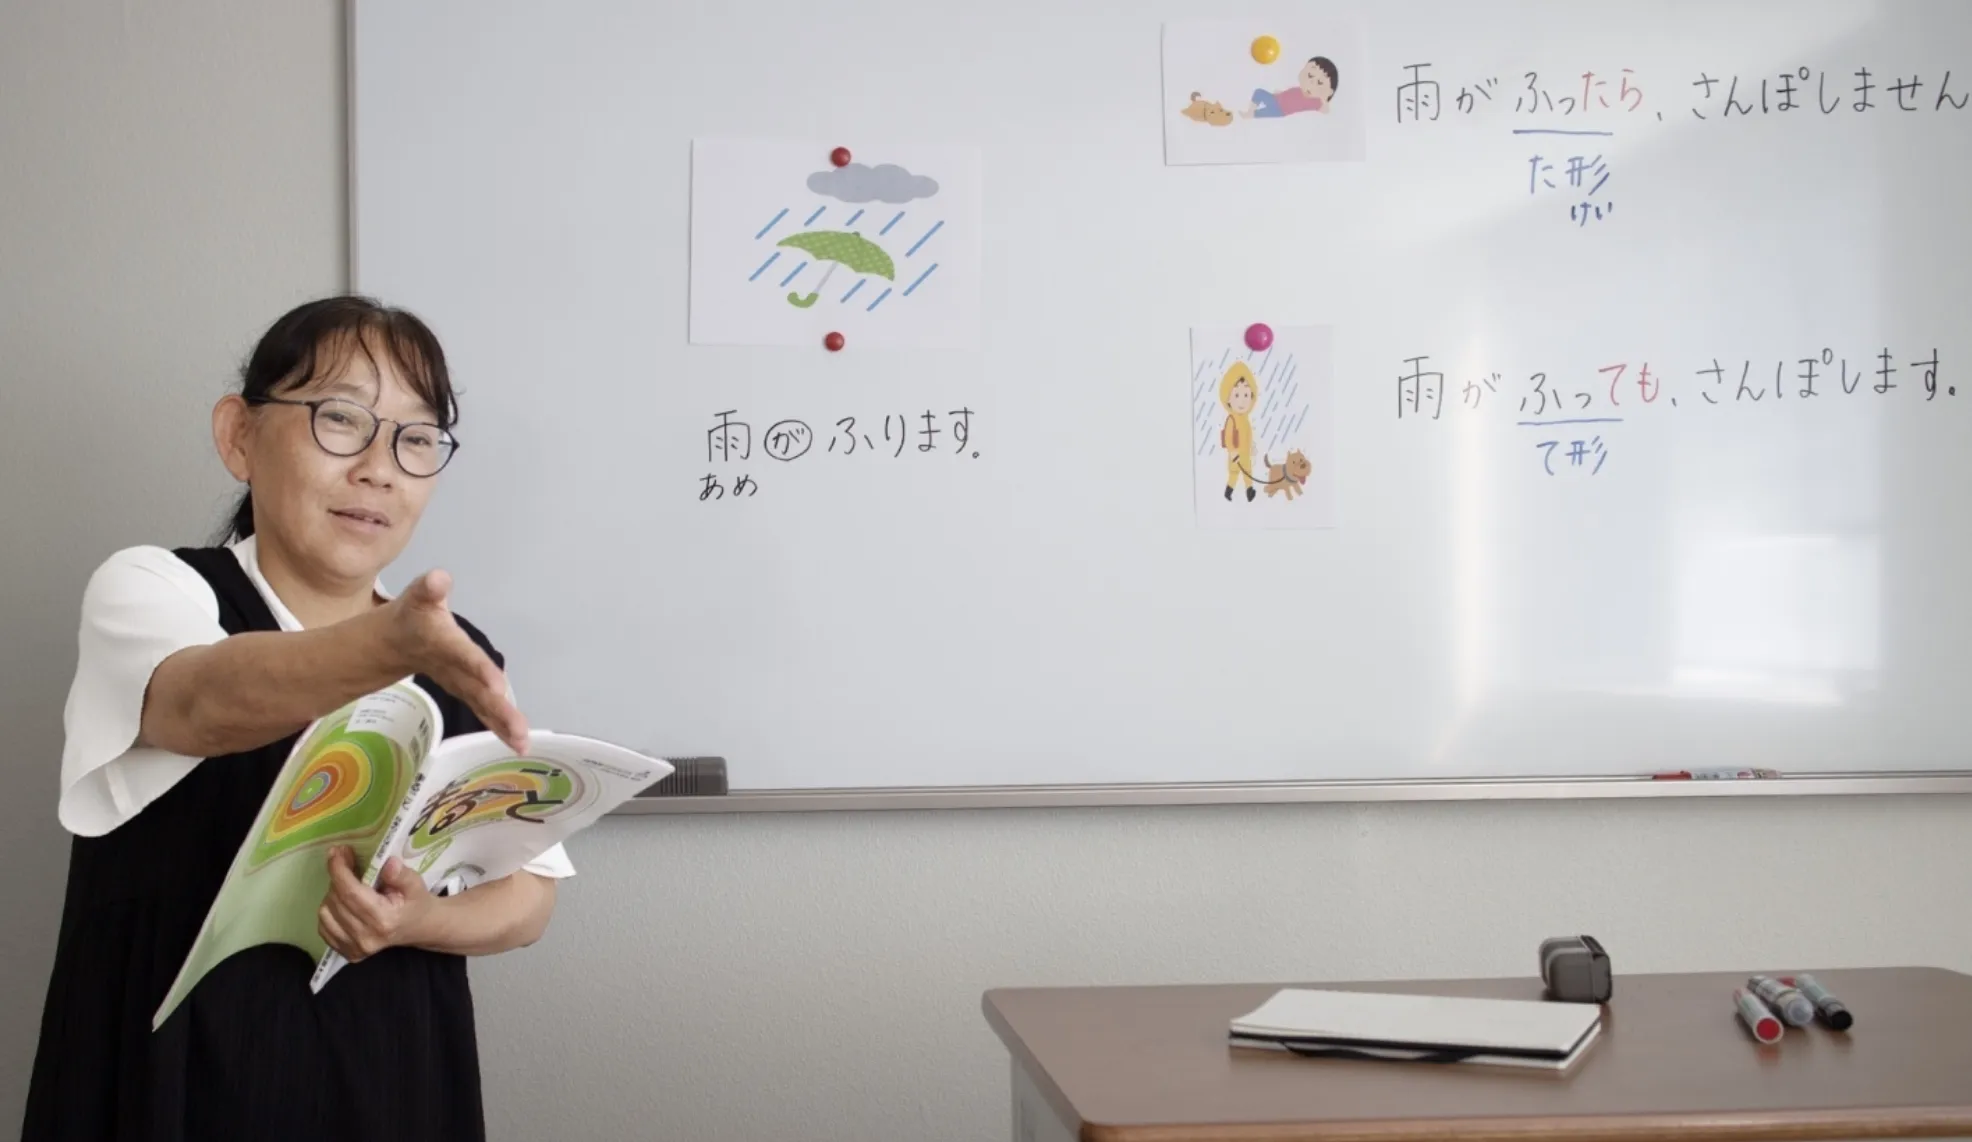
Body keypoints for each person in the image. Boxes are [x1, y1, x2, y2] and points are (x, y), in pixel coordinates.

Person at [22, 296, 570, 1141]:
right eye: (341, 419)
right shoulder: (156, 590)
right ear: (239, 436)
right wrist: (387, 646)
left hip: (393, 1074)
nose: (380, 469)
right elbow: (202, 703)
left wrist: (417, 921)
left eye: (416, 438)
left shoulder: (454, 650)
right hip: (171, 1083)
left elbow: (529, 896)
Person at [1243, 55, 1339, 119]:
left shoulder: (1315, 102)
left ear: (1329, 91)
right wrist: (1280, 93)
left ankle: (1251, 114)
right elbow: (1290, 94)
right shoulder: (1300, 90)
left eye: (1319, 82)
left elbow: (1325, 109)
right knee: (1259, 92)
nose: (1311, 82)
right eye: (1310, 75)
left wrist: (1324, 98)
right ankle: (1250, 112)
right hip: (1276, 99)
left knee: (1260, 113)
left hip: (1280, 110)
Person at [1219, 361, 1260, 501]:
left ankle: (1250, 490)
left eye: (1246, 395)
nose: (1242, 401)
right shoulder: (1232, 419)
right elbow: (1228, 437)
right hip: (1235, 455)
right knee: (1234, 473)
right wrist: (1232, 451)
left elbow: (1248, 435)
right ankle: (1228, 491)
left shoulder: (1245, 420)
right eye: (1236, 395)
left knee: (1248, 472)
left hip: (1245, 454)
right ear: (1228, 398)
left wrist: (1252, 447)